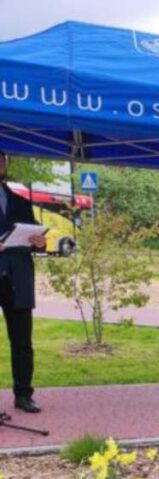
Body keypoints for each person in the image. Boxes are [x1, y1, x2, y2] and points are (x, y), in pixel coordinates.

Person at [0, 149, 47, 414]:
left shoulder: (20, 201)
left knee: (22, 342)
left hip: (17, 280)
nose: (1, 163)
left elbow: (34, 235)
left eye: (3, 159)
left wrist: (40, 243)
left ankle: (23, 394)